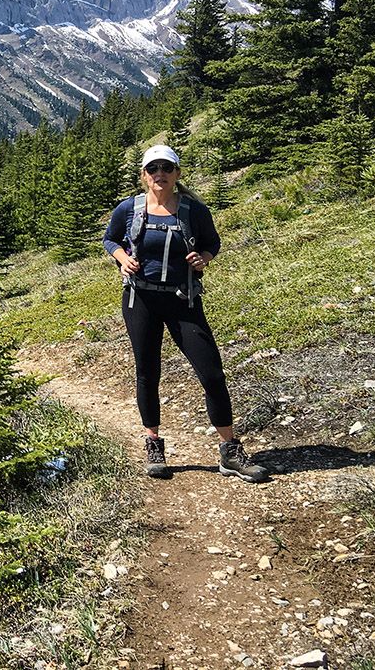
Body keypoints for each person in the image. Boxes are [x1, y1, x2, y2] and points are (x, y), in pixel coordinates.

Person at [102, 145, 268, 483]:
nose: (159, 174)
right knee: (147, 372)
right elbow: (110, 239)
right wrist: (122, 258)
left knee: (211, 373)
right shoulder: (129, 209)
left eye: (166, 167)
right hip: (140, 300)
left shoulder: (193, 210)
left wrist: (203, 258)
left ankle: (229, 450)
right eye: (153, 169)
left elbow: (212, 242)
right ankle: (153, 443)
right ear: (144, 175)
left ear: (177, 173)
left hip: (184, 300)